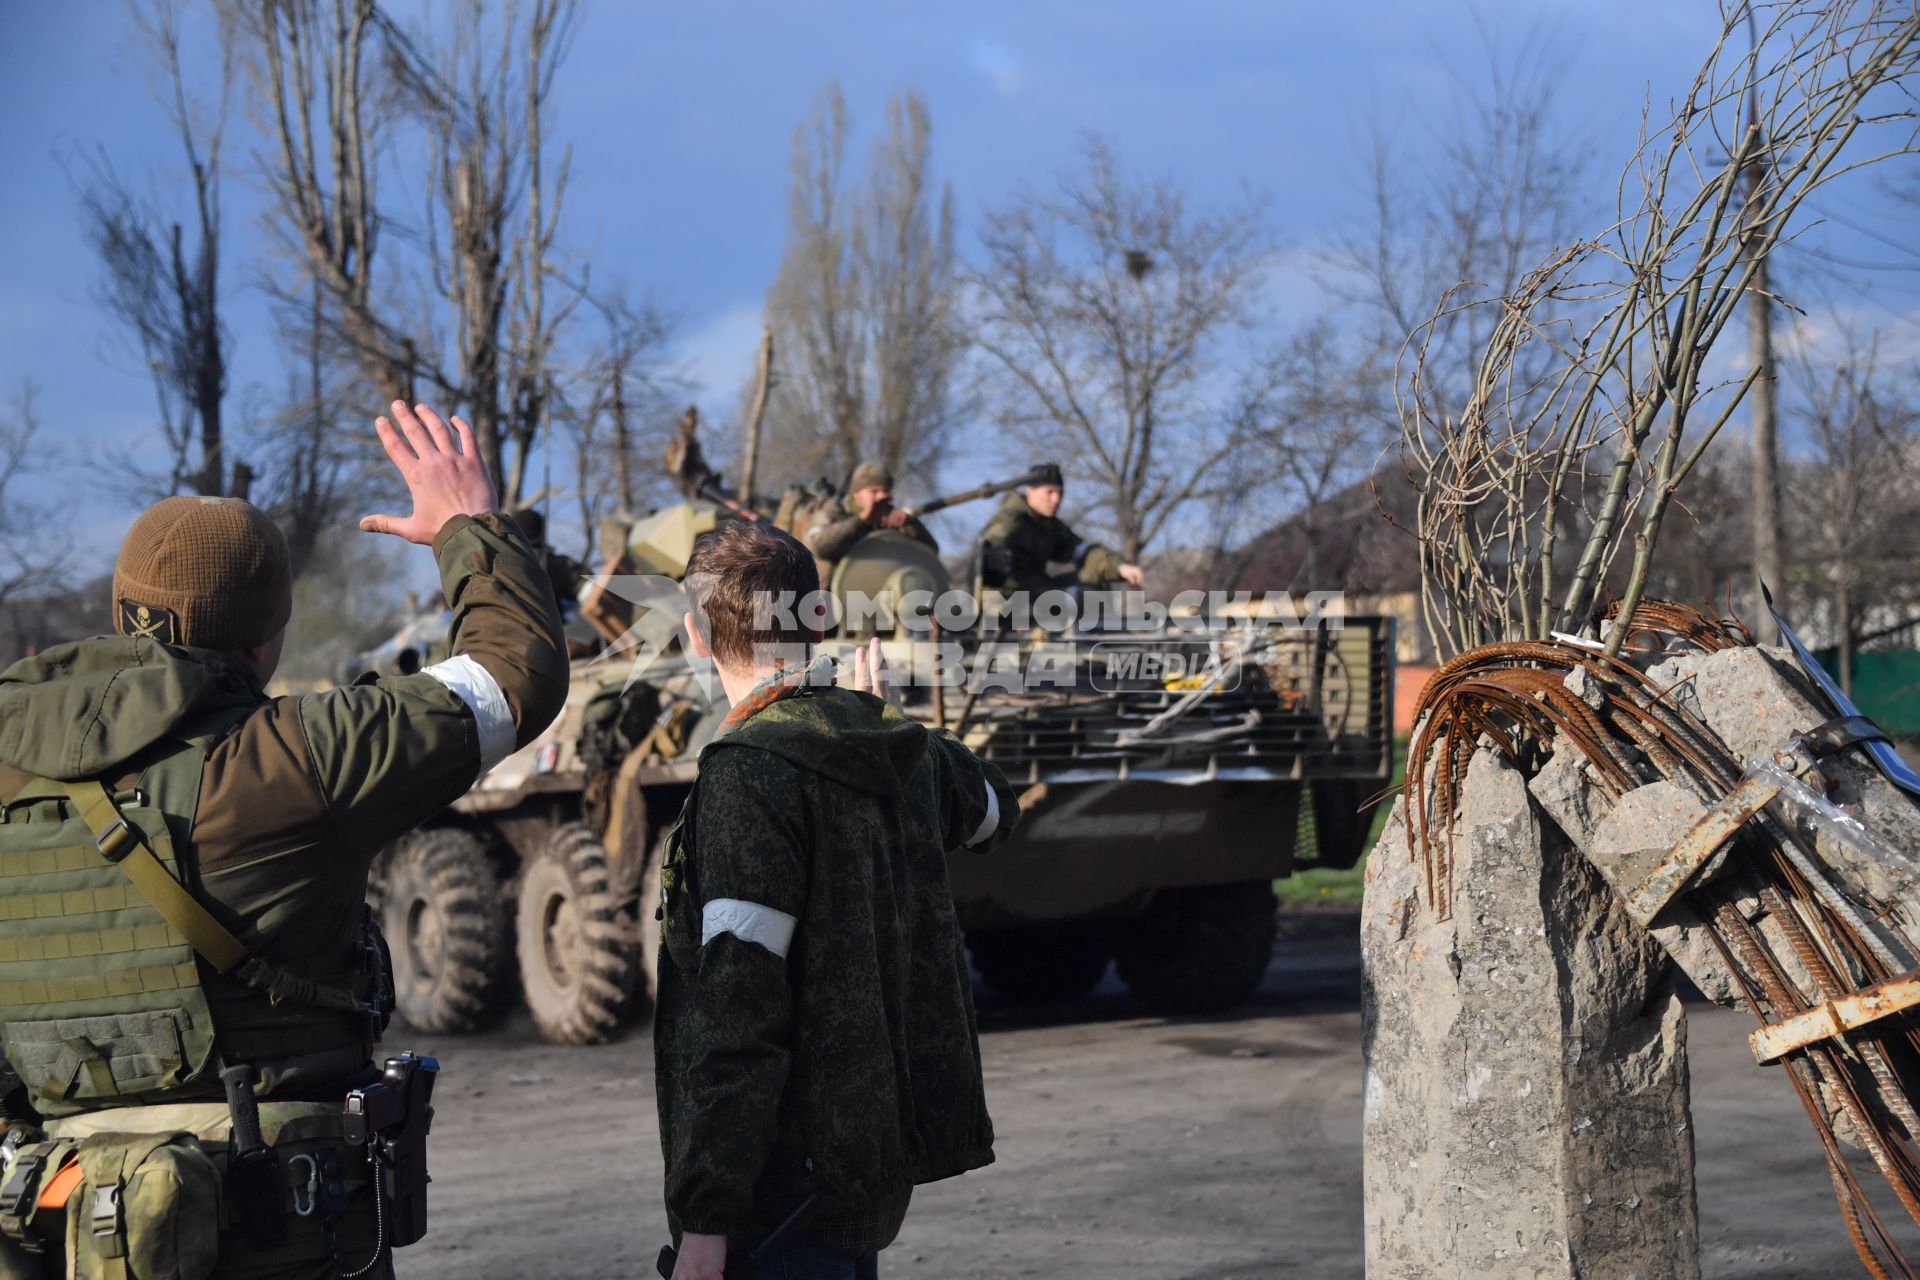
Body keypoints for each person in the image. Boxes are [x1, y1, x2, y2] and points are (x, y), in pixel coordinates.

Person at [0, 401, 567, 1277]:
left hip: (65, 1228)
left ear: (121, 613)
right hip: (281, 1230)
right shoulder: (297, 758)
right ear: (266, 644)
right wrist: (467, 526)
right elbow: (510, 672)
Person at [656, 519, 1018, 1280]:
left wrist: (704, 1218)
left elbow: (739, 1014)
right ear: (819, 619)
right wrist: (886, 720)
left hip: (778, 1200)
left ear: (695, 635)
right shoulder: (895, 747)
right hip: (864, 1177)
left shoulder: (747, 775)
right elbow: (992, 809)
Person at [977, 462, 1143, 597]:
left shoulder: (1051, 527)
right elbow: (995, 541)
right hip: (1010, 600)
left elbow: (1083, 551)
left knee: (1091, 579)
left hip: (1038, 592)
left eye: (1060, 493)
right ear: (1030, 492)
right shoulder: (1012, 519)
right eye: (1049, 492)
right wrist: (997, 552)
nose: (1056, 499)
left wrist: (1120, 567)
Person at [802, 462, 938, 567]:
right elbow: (817, 546)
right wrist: (860, 520)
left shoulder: (893, 517)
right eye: (874, 491)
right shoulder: (834, 510)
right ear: (857, 494)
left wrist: (910, 525)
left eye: (885, 491)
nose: (881, 496)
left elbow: (931, 550)